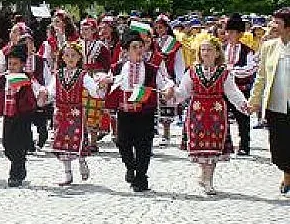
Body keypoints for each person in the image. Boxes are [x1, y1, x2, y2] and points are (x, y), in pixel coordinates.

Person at [100, 32, 175, 193]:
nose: (139, 50)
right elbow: (106, 81)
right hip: (125, 112)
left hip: (144, 112)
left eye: (141, 46)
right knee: (122, 142)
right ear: (126, 51)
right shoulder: (118, 68)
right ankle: (130, 166)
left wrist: (168, 89)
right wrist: (103, 82)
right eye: (134, 47)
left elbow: (165, 82)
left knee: (144, 145)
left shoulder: (151, 69)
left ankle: (141, 177)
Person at [173, 37, 249, 195]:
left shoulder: (225, 73)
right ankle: (204, 174)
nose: (206, 53)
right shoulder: (192, 71)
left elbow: (232, 92)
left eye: (209, 50)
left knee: (214, 146)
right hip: (197, 112)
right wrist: (171, 94)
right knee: (201, 146)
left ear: (216, 53)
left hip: (216, 112)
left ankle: (209, 180)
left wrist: (244, 105)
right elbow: (183, 92)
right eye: (203, 50)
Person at [47, 41, 105, 186]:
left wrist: (101, 86)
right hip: (60, 112)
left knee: (76, 140)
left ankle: (81, 160)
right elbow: (51, 91)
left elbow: (94, 90)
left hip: (76, 112)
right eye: (67, 55)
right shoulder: (57, 74)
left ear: (79, 57)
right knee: (61, 143)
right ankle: (68, 174)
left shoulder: (83, 75)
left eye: (73, 55)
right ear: (63, 58)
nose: (70, 58)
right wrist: (43, 92)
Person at [0, 43, 44, 187]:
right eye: (9, 63)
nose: (11, 66)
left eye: (15, 64)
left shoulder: (27, 78)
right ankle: (20, 165)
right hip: (8, 115)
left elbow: (38, 90)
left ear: (22, 64)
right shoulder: (4, 78)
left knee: (18, 146)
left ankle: (15, 175)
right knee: (7, 146)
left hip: (23, 116)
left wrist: (43, 95)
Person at [247, 8, 290, 194]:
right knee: (278, 146)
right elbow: (261, 77)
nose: (273, 26)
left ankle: (288, 177)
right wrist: (254, 100)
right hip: (275, 105)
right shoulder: (269, 46)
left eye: (277, 23)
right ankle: (286, 170)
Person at [223, 13, 257, 156]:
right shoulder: (222, 48)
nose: (229, 35)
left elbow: (251, 69)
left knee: (242, 117)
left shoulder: (247, 51)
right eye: (228, 32)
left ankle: (244, 145)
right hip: (224, 89)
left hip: (241, 89)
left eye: (232, 32)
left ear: (240, 34)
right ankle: (225, 144)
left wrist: (232, 70)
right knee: (222, 117)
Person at [151, 14, 185, 146]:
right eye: (157, 28)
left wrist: (178, 78)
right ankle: (153, 130)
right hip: (155, 74)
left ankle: (166, 133)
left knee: (166, 103)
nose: (159, 30)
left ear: (167, 28)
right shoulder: (153, 42)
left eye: (161, 27)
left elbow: (179, 62)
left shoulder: (174, 44)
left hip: (169, 75)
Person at [79, 18, 112, 151]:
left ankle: (93, 141)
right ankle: (82, 139)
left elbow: (107, 64)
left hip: (96, 78)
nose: (83, 32)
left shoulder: (100, 46)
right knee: (81, 108)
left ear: (93, 30)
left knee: (94, 108)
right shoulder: (77, 44)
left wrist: (103, 78)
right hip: (81, 77)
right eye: (82, 29)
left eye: (87, 29)